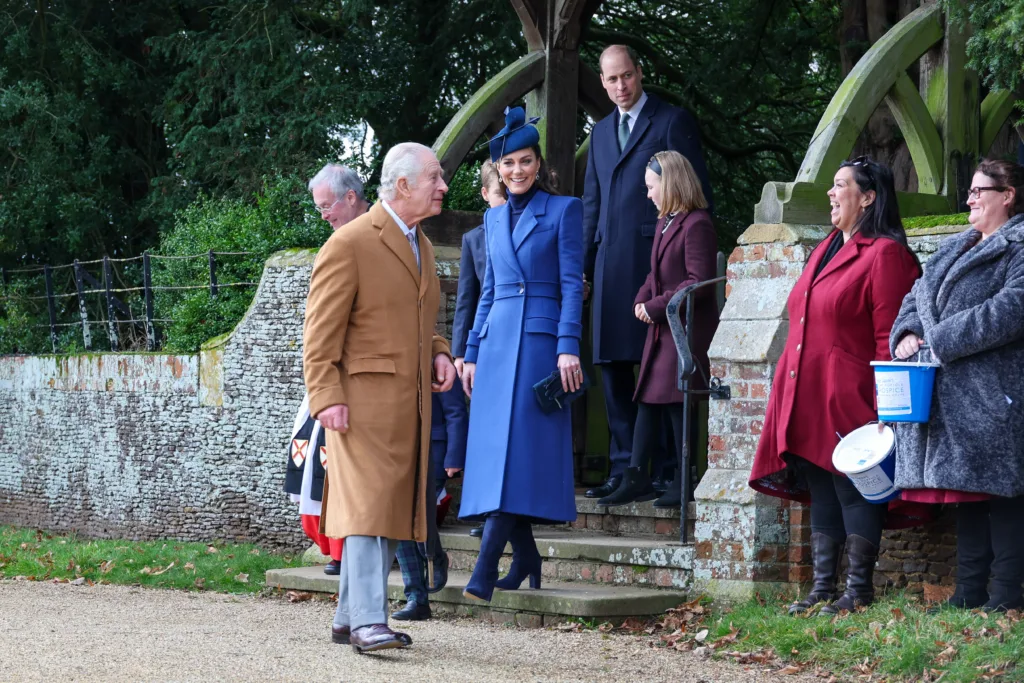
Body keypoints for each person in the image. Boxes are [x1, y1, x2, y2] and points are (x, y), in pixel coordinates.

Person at [748, 156, 924, 615]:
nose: (830, 193)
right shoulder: (827, 246)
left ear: (867, 197)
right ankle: (823, 588)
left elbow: (892, 335)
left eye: (840, 185)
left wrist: (890, 407)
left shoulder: (885, 254)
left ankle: (859, 590)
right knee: (822, 484)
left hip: (853, 392)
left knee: (854, 484)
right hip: (808, 390)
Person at [303, 142, 456, 653]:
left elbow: (418, 320)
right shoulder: (349, 243)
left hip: (408, 403)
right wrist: (325, 395)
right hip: (360, 402)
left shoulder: (421, 244)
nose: (444, 186)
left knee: (389, 505)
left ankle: (349, 617)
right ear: (404, 185)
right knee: (368, 509)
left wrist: (438, 350)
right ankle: (370, 621)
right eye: (435, 177)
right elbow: (319, 332)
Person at [459, 106, 584, 602]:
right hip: (493, 346)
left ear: (539, 164)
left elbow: (572, 285)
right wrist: (469, 352)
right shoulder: (490, 219)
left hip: (539, 343)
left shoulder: (564, 210)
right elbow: (488, 291)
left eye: (525, 161)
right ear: (498, 169)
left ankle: (484, 569)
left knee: (517, 456)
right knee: (494, 458)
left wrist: (568, 346)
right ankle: (525, 555)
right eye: (508, 164)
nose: (517, 171)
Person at [890, 159, 1024, 613]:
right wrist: (906, 333)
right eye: (968, 191)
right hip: (948, 390)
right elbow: (915, 295)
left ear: (1007, 196)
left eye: (978, 191)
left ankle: (1005, 595)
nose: (969, 199)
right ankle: (967, 592)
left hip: (995, 390)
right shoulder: (954, 247)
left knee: (1004, 493)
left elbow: (1012, 309)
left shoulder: (1020, 245)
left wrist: (939, 339)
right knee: (968, 492)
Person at [582, 44, 714, 501]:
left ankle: (665, 469)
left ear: (640, 74)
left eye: (627, 77)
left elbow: (697, 194)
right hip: (608, 264)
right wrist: (582, 268)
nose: (620, 87)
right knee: (613, 366)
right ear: (602, 82)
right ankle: (625, 467)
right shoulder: (599, 132)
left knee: (660, 368)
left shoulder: (672, 120)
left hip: (659, 264)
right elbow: (591, 205)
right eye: (611, 80)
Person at [598, 151, 718, 507]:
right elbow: (656, 274)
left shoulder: (697, 224)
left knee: (677, 398)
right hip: (665, 327)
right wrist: (641, 299)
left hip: (685, 330)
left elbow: (699, 281)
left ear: (671, 183)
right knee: (648, 398)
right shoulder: (668, 221)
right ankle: (637, 476)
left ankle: (684, 479)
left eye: (652, 186)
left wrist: (655, 307)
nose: (648, 194)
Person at [284, 164, 370, 574]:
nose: (323, 215)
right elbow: (319, 326)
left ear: (350, 197)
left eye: (326, 206)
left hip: (366, 376)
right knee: (319, 462)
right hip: (334, 374)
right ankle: (335, 547)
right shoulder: (339, 243)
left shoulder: (376, 238)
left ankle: (351, 549)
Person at [452, 161, 507, 539]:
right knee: (485, 431)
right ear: (486, 195)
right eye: (499, 195)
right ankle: (487, 509)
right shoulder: (473, 239)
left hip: (520, 342)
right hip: (484, 347)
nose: (505, 201)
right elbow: (466, 301)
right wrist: (460, 353)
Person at [393, 385, 468, 620]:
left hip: (434, 453)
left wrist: (454, 456)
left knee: (420, 517)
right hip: (397, 453)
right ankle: (416, 598)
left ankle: (434, 557)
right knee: (398, 523)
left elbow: (456, 412)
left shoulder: (437, 363)